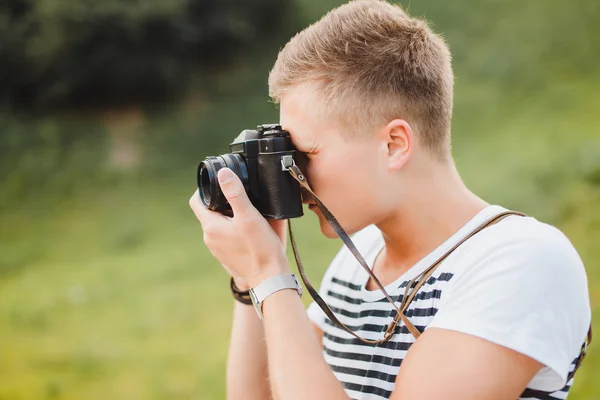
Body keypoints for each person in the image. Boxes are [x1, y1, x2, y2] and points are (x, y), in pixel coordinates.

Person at [189, 0, 592, 399]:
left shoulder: (523, 262)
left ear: (393, 145)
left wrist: (271, 278)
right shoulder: (358, 257)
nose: (293, 177)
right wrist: (250, 282)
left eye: (305, 155)